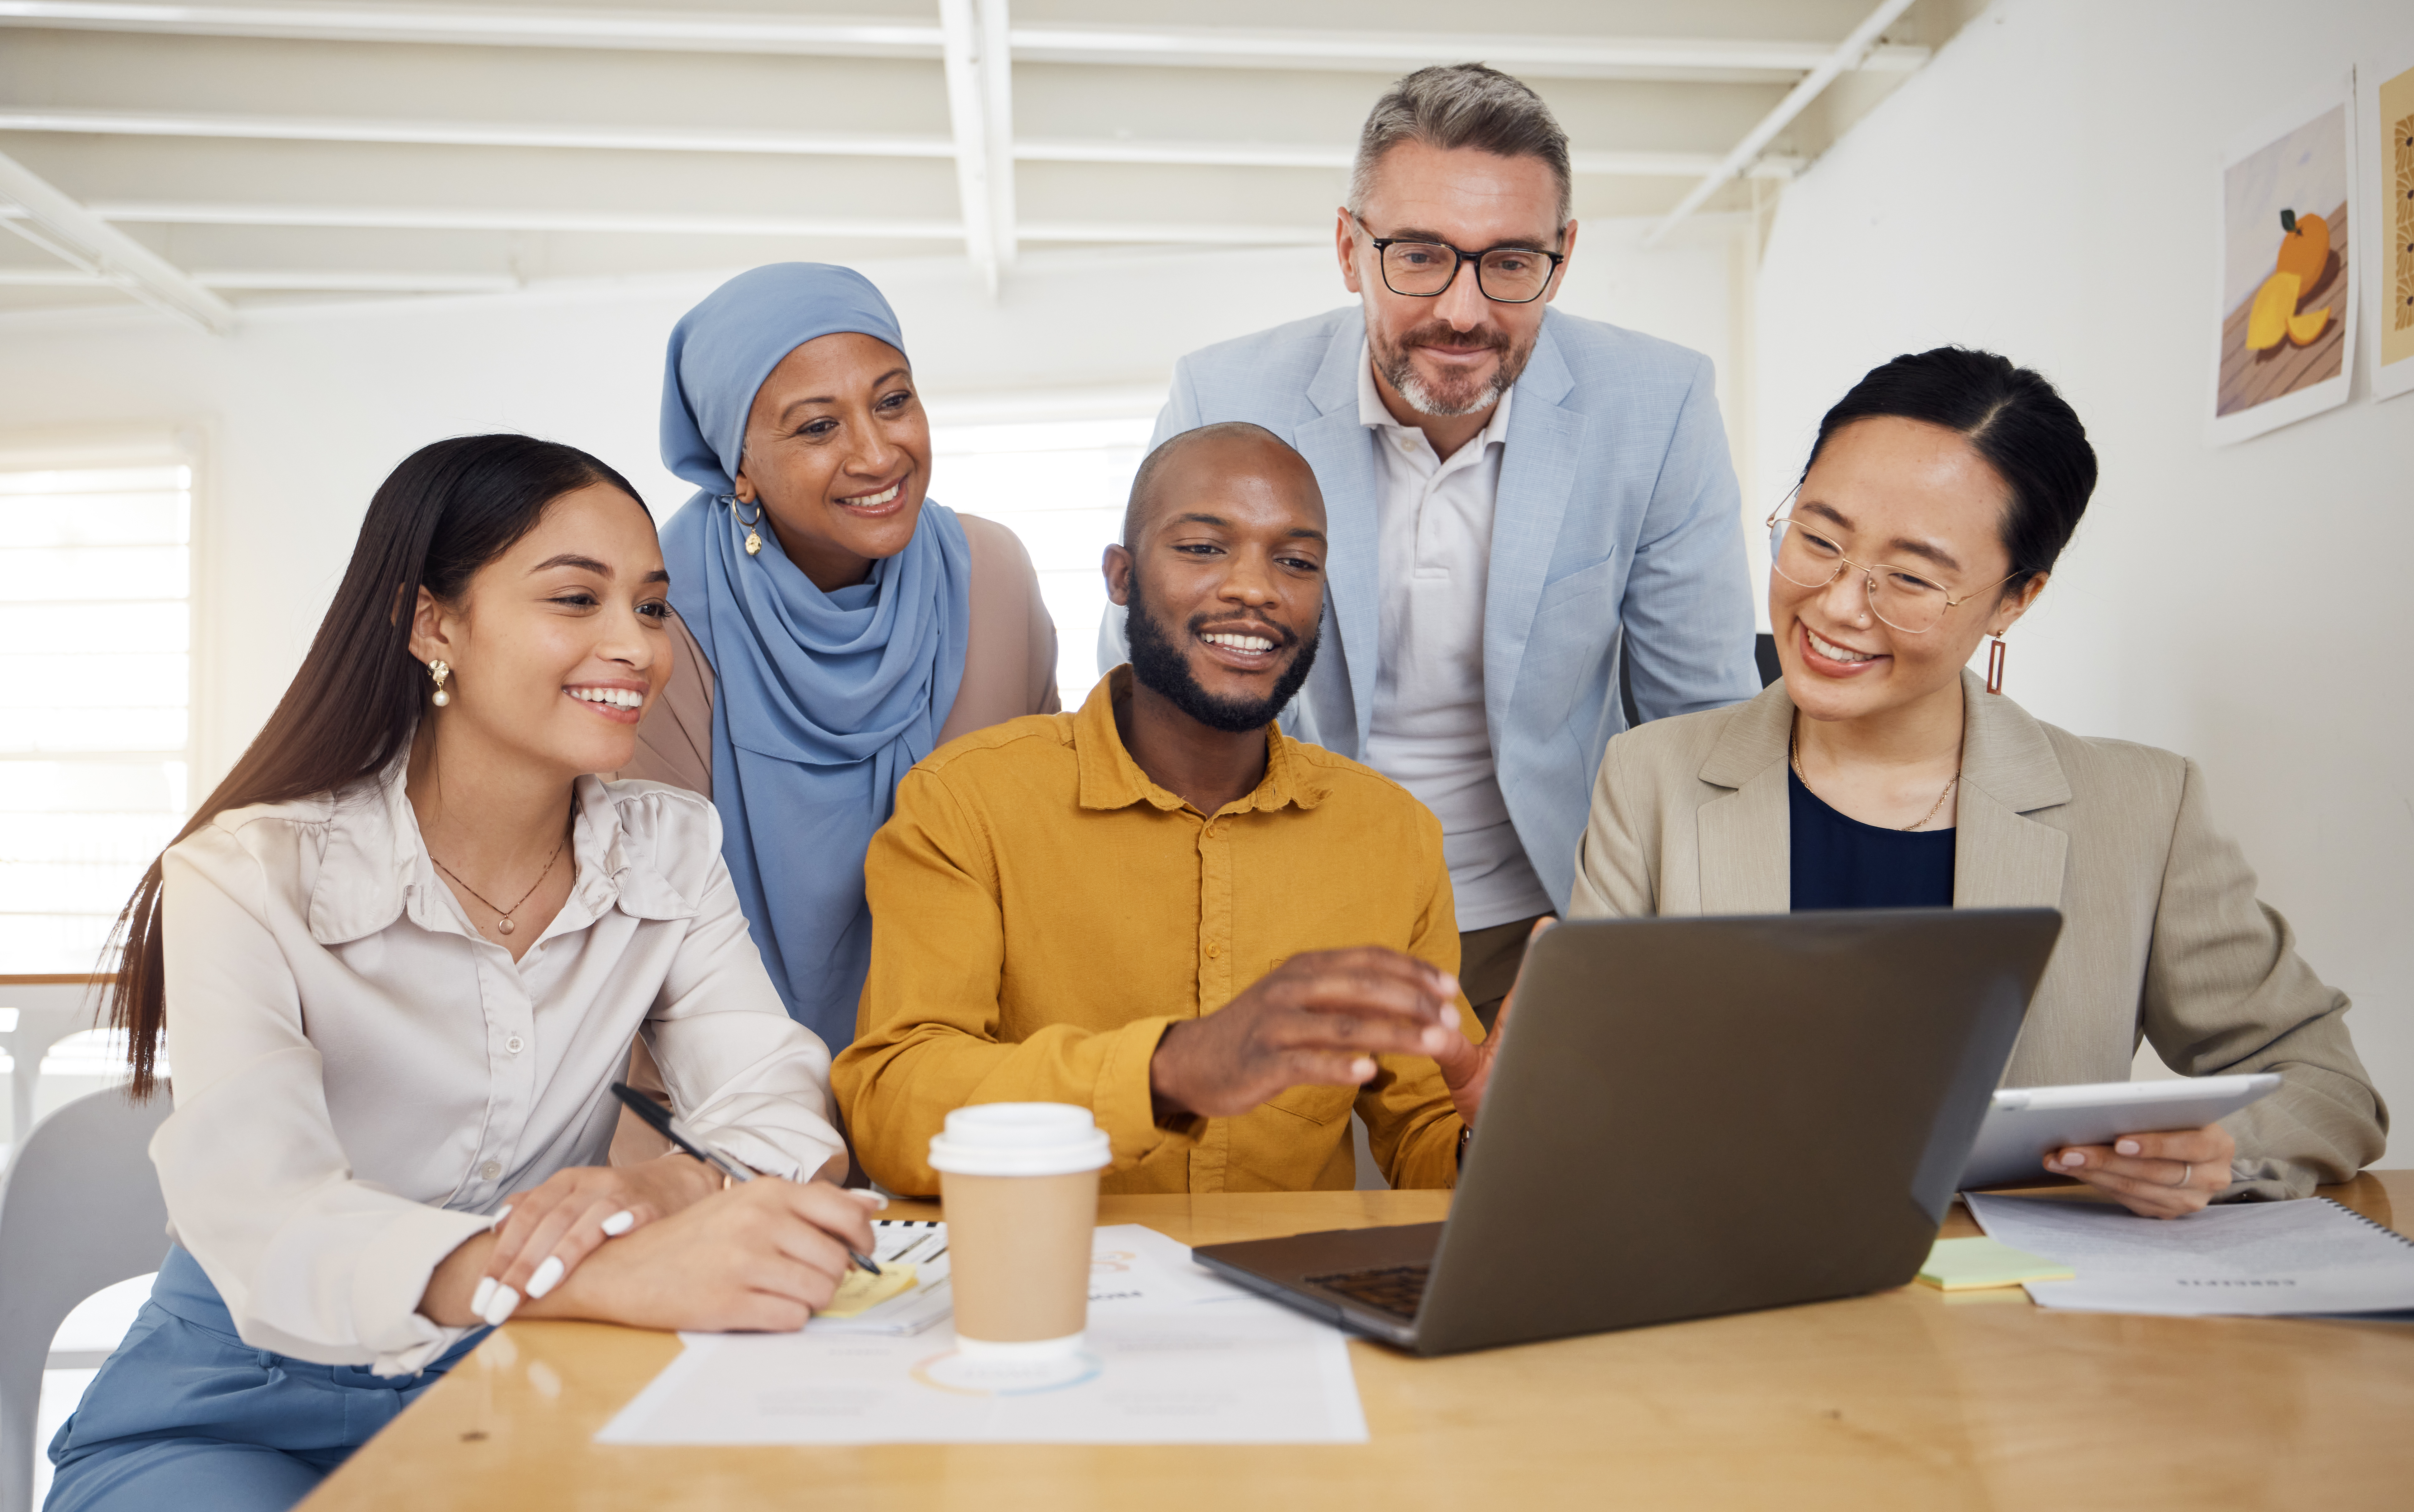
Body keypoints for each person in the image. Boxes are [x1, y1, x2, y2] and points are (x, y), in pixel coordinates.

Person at [50, 436, 878, 1511]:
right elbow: (267, 1210)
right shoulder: (245, 872)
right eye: (576, 598)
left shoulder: (669, 847)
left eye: (651, 606)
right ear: (433, 624)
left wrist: (672, 1184)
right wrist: (597, 1271)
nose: (635, 645)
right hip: (237, 1392)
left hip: (530, 1372)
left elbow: (771, 1096)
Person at [1567, 347, 2385, 1216]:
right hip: (1732, 1271)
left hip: (2021, 1288)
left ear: (2013, 599)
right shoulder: (1650, 777)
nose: (1836, 605)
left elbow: (2325, 1082)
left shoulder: (2142, 809)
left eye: (1910, 578)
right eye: (1816, 539)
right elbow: (1590, 1085)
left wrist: (2215, 1153)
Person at [1102, 64, 1760, 1023]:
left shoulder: (1656, 406)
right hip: (1285, 901)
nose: (1462, 311)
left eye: (1510, 262)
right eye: (1417, 255)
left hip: (1549, 915)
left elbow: (1701, 730)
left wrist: (1694, 976)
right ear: (1348, 249)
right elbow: (1144, 681)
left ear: (1561, 258)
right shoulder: (1227, 395)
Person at [836, 423, 1510, 1194]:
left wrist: (1486, 1133)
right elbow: (895, 1108)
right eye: (1202, 548)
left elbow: (1427, 1134)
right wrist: (1168, 1069)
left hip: (1285, 1275)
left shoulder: (1390, 835)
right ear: (1120, 577)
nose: (1255, 589)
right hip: (1050, 1261)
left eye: (1295, 562)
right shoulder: (965, 803)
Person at [623, 262, 1059, 1058]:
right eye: (818, 427)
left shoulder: (992, 575)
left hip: (965, 1061)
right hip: (723, 1080)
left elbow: (1039, 844)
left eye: (893, 402)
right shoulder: (659, 613)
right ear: (737, 466)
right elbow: (650, 907)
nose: (877, 454)